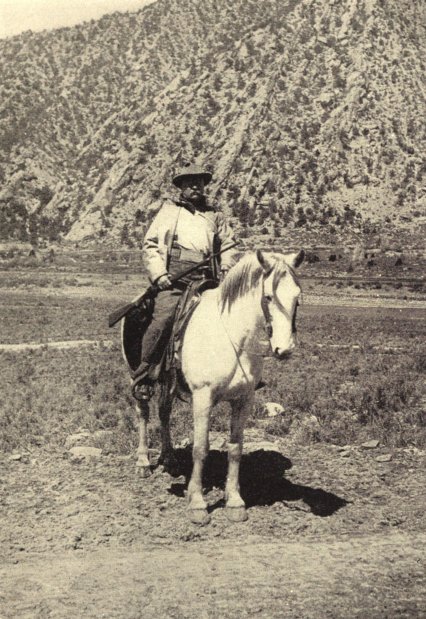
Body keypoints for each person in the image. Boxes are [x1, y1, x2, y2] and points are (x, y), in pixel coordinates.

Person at [131, 163, 237, 400]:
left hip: (207, 280)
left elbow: (229, 244)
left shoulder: (215, 216)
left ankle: (241, 376)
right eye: (189, 183)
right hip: (175, 279)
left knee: (232, 319)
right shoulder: (169, 212)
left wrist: (227, 267)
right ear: (181, 187)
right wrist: (159, 275)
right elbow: (150, 245)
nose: (195, 187)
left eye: (199, 182)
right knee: (163, 319)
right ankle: (145, 376)